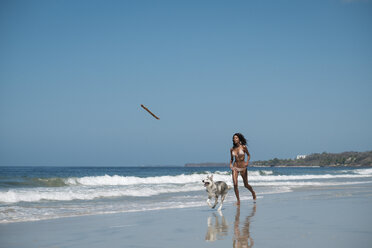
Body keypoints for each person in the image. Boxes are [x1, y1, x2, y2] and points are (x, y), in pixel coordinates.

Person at [230, 133, 256, 205]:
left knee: (246, 184)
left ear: (239, 139)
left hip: (243, 167)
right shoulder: (232, 149)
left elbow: (248, 155)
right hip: (235, 167)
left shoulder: (243, 147)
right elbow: (231, 159)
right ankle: (238, 201)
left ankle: (253, 192)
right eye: (234, 138)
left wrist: (247, 162)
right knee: (235, 184)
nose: (234, 139)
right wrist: (230, 164)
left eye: (236, 138)